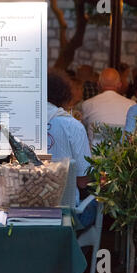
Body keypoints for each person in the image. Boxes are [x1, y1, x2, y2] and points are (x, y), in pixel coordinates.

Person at [46, 69, 96, 229]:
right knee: (100, 202)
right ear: (65, 94)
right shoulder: (72, 125)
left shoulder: (22, 122)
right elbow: (83, 181)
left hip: (24, 209)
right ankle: (85, 251)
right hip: (65, 215)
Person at [81, 68, 136, 146]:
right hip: (124, 156)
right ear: (120, 85)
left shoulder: (87, 104)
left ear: (98, 84)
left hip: (95, 156)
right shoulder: (132, 105)